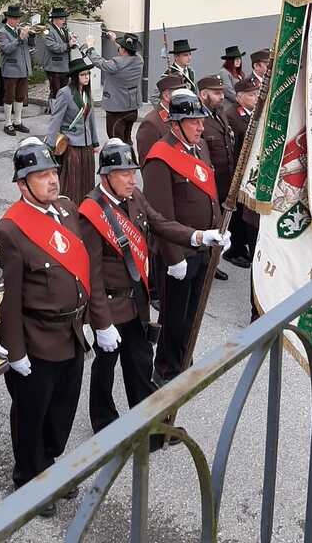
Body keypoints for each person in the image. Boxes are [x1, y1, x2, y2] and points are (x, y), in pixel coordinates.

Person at [79, 138, 227, 436]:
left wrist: (199, 236)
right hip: (110, 305)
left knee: (140, 363)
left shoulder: (135, 197)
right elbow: (91, 276)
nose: (132, 179)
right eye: (124, 174)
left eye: (133, 172)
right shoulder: (91, 212)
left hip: (136, 300)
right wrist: (102, 323)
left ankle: (149, 430)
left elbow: (161, 224)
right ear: (106, 176)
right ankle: (104, 425)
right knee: (106, 366)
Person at [0, 139, 90, 517]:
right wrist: (15, 352)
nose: (52, 180)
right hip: (36, 339)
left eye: (53, 172)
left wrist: (89, 320)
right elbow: (6, 300)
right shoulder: (9, 231)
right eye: (41, 175)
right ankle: (28, 478)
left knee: (62, 410)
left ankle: (48, 462)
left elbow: (77, 269)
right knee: (32, 414)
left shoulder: (66, 210)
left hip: (71, 333)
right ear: (21, 184)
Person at [141, 89, 224, 385]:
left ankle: (183, 358)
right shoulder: (160, 158)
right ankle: (165, 369)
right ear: (176, 125)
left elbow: (209, 194)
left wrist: (218, 231)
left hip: (203, 246)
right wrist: (174, 258)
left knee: (192, 313)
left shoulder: (199, 147)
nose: (201, 127)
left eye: (201, 120)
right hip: (177, 253)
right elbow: (160, 216)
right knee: (173, 318)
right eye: (194, 122)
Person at [199, 73, 248, 270]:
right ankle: (209, 265)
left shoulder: (219, 113)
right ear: (203, 95)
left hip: (225, 178)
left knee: (223, 223)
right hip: (210, 183)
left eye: (221, 92)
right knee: (210, 225)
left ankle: (217, 259)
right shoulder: (199, 119)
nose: (221, 96)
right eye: (216, 93)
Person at [44, 48, 99, 204]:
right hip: (71, 143)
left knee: (87, 180)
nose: (87, 77)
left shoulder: (87, 93)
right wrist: (49, 144)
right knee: (72, 181)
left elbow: (91, 119)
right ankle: (68, 207)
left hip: (86, 144)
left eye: (88, 74)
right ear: (75, 76)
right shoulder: (65, 93)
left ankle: (85, 207)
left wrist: (95, 142)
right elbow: (56, 119)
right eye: (83, 74)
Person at [225, 76, 261, 318]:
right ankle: (235, 249)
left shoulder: (252, 113)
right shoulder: (233, 116)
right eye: (250, 95)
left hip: (250, 175)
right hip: (239, 175)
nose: (255, 98)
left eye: (256, 94)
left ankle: (240, 248)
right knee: (238, 219)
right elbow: (234, 148)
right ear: (239, 97)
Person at [86, 31, 143, 144]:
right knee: (127, 139)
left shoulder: (116, 63)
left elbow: (100, 62)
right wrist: (114, 40)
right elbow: (126, 52)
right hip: (132, 108)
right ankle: (131, 155)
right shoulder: (139, 59)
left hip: (117, 110)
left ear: (123, 49)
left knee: (116, 142)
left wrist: (90, 47)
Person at [0, 4, 33, 137]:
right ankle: (7, 123)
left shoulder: (20, 30)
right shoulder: (2, 32)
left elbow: (30, 46)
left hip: (23, 68)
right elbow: (6, 49)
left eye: (18, 18)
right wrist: (19, 39)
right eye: (15, 18)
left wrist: (31, 36)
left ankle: (18, 121)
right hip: (11, 68)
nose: (17, 21)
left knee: (20, 96)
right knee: (9, 97)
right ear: (8, 18)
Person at [135, 73, 182, 163]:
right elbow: (147, 161)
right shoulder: (151, 123)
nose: (185, 98)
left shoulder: (180, 116)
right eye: (179, 95)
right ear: (166, 96)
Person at [42, 7, 72, 104]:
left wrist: (72, 43)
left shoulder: (63, 30)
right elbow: (53, 47)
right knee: (55, 91)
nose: (64, 21)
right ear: (55, 19)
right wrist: (68, 45)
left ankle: (58, 108)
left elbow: (66, 44)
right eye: (62, 19)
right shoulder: (48, 30)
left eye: (64, 19)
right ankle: (54, 110)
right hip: (54, 66)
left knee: (63, 91)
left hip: (64, 66)